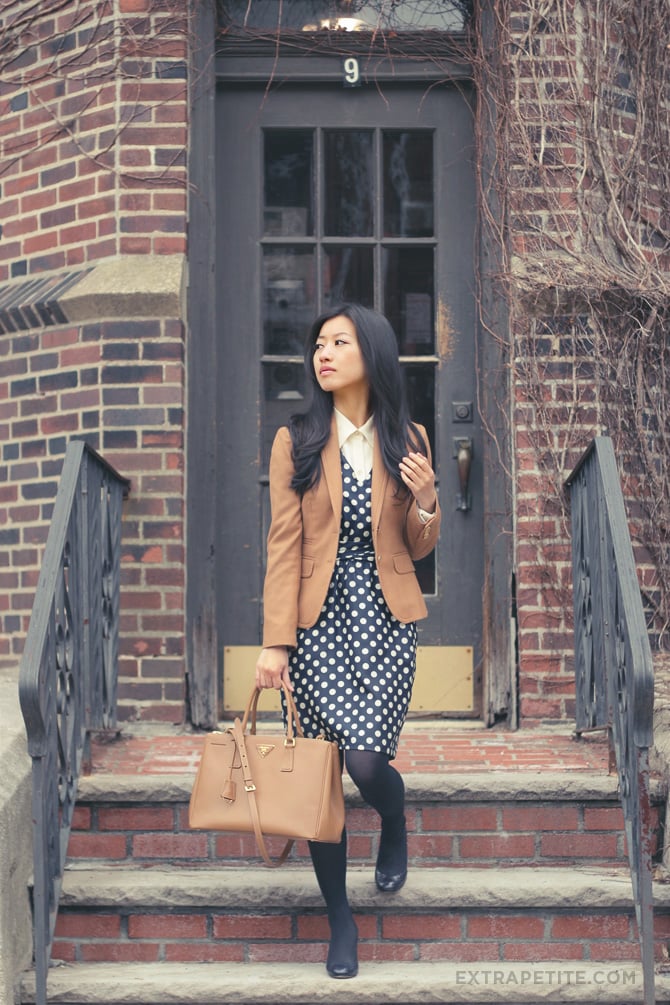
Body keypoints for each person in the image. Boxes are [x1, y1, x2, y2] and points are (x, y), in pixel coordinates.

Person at [255, 303, 441, 979]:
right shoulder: (297, 438)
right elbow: (284, 543)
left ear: (374, 352)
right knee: (320, 781)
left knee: (366, 763)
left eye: (340, 341)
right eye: (319, 344)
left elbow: (420, 545)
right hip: (316, 625)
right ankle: (341, 919)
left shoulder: (408, 435)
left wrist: (426, 502)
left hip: (385, 620)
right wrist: (275, 642)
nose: (323, 353)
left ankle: (393, 818)